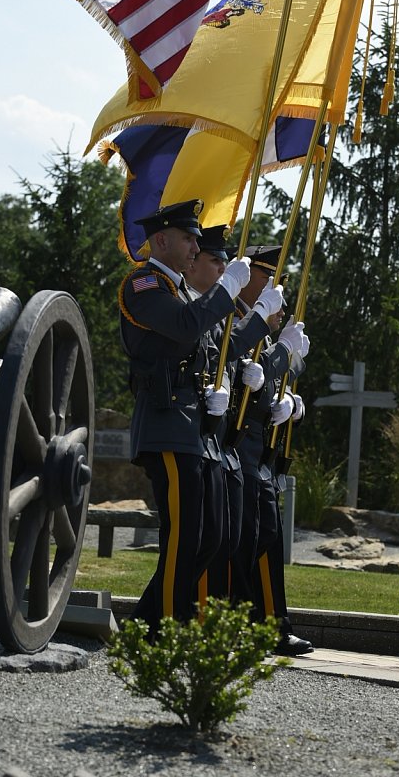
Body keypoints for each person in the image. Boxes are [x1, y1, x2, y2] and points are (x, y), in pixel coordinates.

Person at [118, 200, 254, 639]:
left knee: (209, 537)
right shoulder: (143, 283)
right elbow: (182, 326)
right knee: (183, 536)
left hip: (192, 425)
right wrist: (227, 289)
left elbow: (206, 345)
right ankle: (169, 629)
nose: (197, 245)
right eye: (188, 237)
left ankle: (146, 621)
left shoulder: (176, 288)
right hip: (165, 423)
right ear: (161, 240)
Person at [186, 225, 282, 602]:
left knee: (240, 536)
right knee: (209, 539)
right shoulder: (207, 307)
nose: (223, 271)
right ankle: (187, 624)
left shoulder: (225, 314)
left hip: (235, 442)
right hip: (218, 437)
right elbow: (219, 353)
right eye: (267, 275)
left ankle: (235, 623)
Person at [227, 244, 314, 655]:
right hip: (236, 445)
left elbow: (263, 388)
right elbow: (242, 376)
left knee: (267, 536)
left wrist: (290, 405)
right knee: (245, 539)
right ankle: (249, 625)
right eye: (265, 278)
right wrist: (286, 356)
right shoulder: (232, 320)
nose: (273, 289)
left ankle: (272, 625)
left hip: (258, 448)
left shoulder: (254, 324)